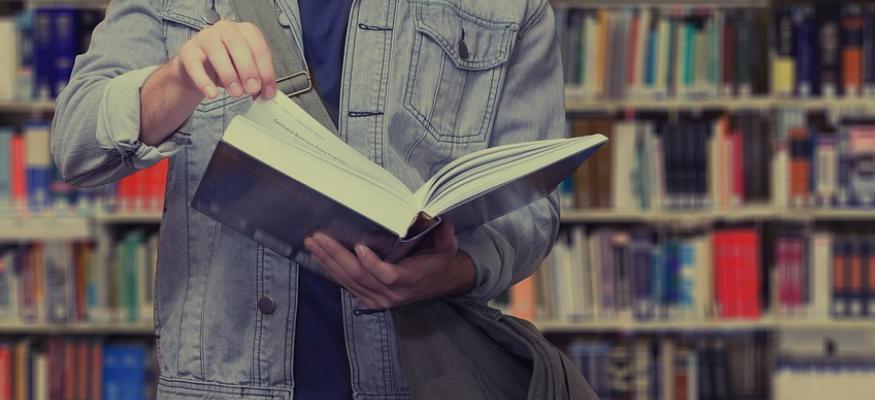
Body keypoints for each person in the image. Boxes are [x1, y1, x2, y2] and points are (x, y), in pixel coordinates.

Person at [50, 0, 565, 398]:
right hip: (224, 382)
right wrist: (178, 78)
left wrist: (453, 270)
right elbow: (76, 144)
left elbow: (531, 207)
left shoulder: (513, 8)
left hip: (421, 379)